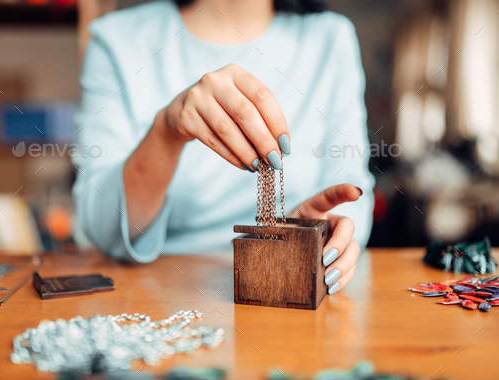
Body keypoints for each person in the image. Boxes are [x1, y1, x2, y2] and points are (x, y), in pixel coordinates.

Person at [73, 0, 375, 295]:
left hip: (287, 285)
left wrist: (321, 232)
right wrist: (166, 131)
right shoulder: (117, 38)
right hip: (159, 291)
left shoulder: (329, 38)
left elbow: (351, 192)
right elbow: (104, 230)